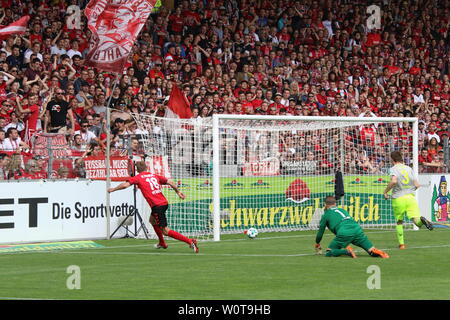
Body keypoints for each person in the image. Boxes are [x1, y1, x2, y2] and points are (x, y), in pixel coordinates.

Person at [107, 161, 199, 253]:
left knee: (165, 231)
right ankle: (162, 243)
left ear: (137, 170)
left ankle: (190, 242)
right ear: (146, 168)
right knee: (152, 220)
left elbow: (125, 185)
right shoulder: (154, 176)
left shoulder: (138, 178)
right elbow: (170, 182)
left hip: (157, 206)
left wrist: (113, 189)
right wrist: (178, 192)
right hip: (163, 203)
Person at [383, 151, 434, 249]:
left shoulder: (393, 169)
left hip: (398, 198)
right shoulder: (409, 168)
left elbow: (393, 181)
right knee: (416, 222)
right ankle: (422, 220)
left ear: (392, 159)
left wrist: (385, 192)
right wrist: (409, 190)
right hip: (410, 198)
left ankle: (402, 244)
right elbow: (417, 185)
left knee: (399, 221)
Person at [314, 196, 390, 258]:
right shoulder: (342, 210)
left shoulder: (326, 214)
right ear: (335, 203)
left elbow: (320, 232)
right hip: (357, 229)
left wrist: (317, 243)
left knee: (328, 252)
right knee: (371, 250)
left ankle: (347, 251)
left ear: (325, 204)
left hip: (344, 232)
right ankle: (378, 252)